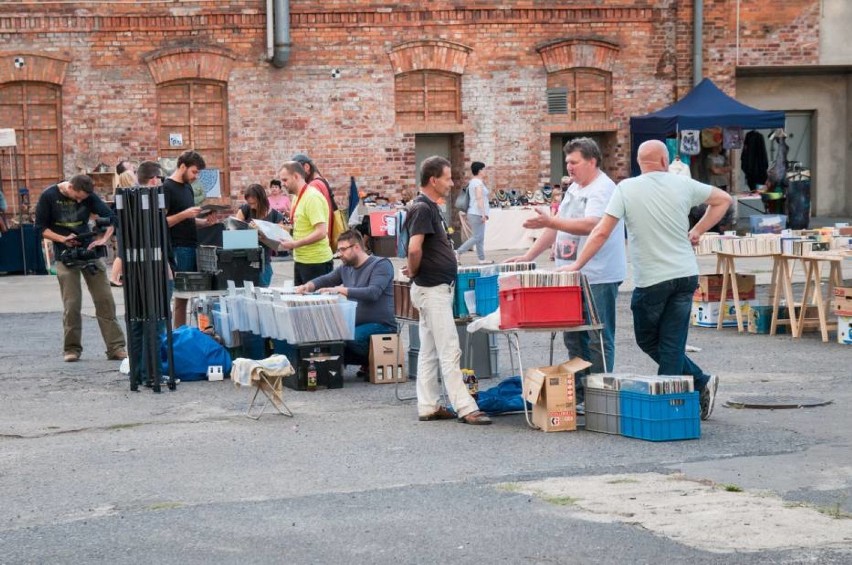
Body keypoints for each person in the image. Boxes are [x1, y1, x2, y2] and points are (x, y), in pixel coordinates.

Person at [562, 139, 732, 420]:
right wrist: (698, 230)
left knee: (650, 340)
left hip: (652, 279)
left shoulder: (626, 188)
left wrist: (577, 264)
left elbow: (602, 232)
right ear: (665, 162)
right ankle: (698, 383)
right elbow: (723, 200)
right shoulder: (683, 184)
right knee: (671, 341)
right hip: (685, 275)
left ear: (639, 163)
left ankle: (671, 406)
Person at [507, 137, 626, 410]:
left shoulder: (603, 189)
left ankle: (599, 394)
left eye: (574, 162)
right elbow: (556, 226)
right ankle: (581, 391)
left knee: (597, 335)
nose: (569, 168)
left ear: (592, 161)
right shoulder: (574, 188)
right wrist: (529, 255)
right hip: (569, 274)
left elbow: (591, 226)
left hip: (598, 275)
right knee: (573, 334)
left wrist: (551, 220)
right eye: (568, 162)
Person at [402, 155, 491, 425]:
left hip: (432, 288)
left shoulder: (428, 207)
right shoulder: (423, 208)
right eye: (447, 178)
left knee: (429, 351)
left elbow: (420, 249)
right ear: (433, 180)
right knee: (450, 349)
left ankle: (429, 405)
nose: (451, 183)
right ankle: (465, 406)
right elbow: (414, 248)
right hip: (432, 289)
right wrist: (415, 270)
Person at [34, 174, 127, 362]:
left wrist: (103, 239)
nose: (79, 201)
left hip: (88, 252)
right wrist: (63, 239)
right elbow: (40, 228)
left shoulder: (88, 196)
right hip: (64, 254)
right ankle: (72, 349)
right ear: (69, 187)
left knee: (105, 300)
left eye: (82, 199)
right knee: (72, 304)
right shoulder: (49, 196)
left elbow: (112, 218)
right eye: (77, 197)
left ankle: (116, 347)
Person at [294, 230, 396, 373]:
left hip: (381, 325)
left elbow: (373, 293)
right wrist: (307, 286)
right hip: (354, 324)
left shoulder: (381, 264)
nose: (339, 254)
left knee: (348, 339)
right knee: (325, 335)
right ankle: (338, 365)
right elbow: (326, 279)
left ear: (356, 247)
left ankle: (372, 361)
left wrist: (340, 290)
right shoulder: (346, 267)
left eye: (343, 249)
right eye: (338, 250)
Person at [163, 150, 213, 328]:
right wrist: (185, 214)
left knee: (195, 295)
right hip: (177, 247)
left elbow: (188, 220)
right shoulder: (167, 188)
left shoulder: (187, 187)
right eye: (194, 171)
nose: (195, 176)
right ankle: (179, 335)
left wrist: (204, 222)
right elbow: (161, 222)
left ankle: (188, 334)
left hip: (192, 245)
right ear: (182, 166)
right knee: (180, 298)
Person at [276, 160, 333, 285]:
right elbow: (300, 226)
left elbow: (321, 232)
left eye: (285, 180)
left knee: (318, 303)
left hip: (317, 262)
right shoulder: (297, 197)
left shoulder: (312, 197)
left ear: (296, 176)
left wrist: (295, 244)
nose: (283, 184)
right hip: (301, 259)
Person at [235, 183, 285, 287]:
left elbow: (279, 245)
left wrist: (262, 234)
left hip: (264, 262)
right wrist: (249, 230)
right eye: (249, 203)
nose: (251, 206)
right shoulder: (245, 210)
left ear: (261, 200)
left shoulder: (276, 216)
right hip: (244, 260)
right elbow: (234, 235)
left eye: (254, 203)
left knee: (263, 292)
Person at [291, 153, 337, 248]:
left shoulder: (313, 186)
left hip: (316, 245)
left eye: (296, 172)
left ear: (306, 167)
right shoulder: (322, 181)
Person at [455, 161, 492, 264]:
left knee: (480, 237)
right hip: (477, 213)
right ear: (479, 171)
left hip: (475, 212)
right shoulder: (477, 183)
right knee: (477, 237)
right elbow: (479, 198)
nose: (485, 171)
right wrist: (483, 213)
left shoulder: (474, 182)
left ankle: (482, 259)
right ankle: (458, 252)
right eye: (484, 169)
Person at [109, 170, 138, 287]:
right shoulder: (126, 194)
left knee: (124, 252)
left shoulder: (120, 193)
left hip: (122, 226)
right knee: (122, 253)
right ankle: (113, 278)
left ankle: (120, 275)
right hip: (124, 226)